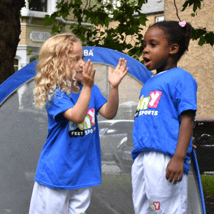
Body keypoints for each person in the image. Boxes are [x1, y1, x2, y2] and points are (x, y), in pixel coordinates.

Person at [29, 33, 128, 214]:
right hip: (57, 174)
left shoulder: (89, 89)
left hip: (83, 173)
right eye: (76, 59)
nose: (82, 63)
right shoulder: (56, 93)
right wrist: (88, 88)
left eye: (83, 57)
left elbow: (109, 112)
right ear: (57, 64)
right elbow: (76, 116)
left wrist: (114, 87)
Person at [131, 20, 197, 214]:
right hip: (142, 157)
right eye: (144, 44)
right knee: (144, 209)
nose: (145, 50)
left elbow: (187, 118)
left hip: (166, 159)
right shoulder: (149, 82)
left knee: (167, 209)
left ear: (173, 49)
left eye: (152, 44)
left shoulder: (181, 77)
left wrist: (179, 155)